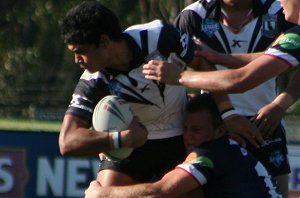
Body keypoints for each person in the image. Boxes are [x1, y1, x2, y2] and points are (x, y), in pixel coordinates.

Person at [59, 1, 262, 186]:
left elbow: (201, 62)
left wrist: (227, 112)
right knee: (104, 192)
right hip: (133, 149)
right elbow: (67, 141)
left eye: (80, 51)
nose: (77, 60)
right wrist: (119, 139)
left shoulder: (159, 36)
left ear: (104, 42)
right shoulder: (93, 81)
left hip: (180, 138)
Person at [173, 0, 296, 196]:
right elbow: (172, 66)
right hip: (215, 127)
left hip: (265, 124)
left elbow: (243, 78)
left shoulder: (278, 11)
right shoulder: (194, 16)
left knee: (276, 193)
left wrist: (281, 104)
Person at [84, 93, 282, 198]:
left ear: (220, 130)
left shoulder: (212, 154)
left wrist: (102, 194)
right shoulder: (229, 151)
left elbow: (159, 192)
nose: (188, 136)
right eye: (185, 128)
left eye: (196, 130)